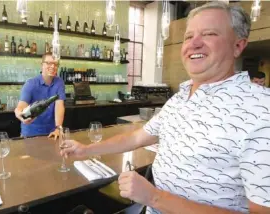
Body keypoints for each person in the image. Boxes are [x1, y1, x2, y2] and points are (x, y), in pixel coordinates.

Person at [61, 2, 270, 213]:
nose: (194, 43)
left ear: (238, 45)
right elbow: (136, 138)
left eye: (209, 34)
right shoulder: (180, 98)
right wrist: (86, 150)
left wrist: (154, 197)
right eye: (188, 36)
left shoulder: (261, 110)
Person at [15, 53, 66, 140]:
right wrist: (20, 114)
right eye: (49, 63)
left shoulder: (59, 82)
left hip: (52, 132)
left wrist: (58, 128)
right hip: (31, 134)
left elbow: (59, 105)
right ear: (41, 65)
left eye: (55, 64)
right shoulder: (31, 84)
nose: (53, 66)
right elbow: (20, 107)